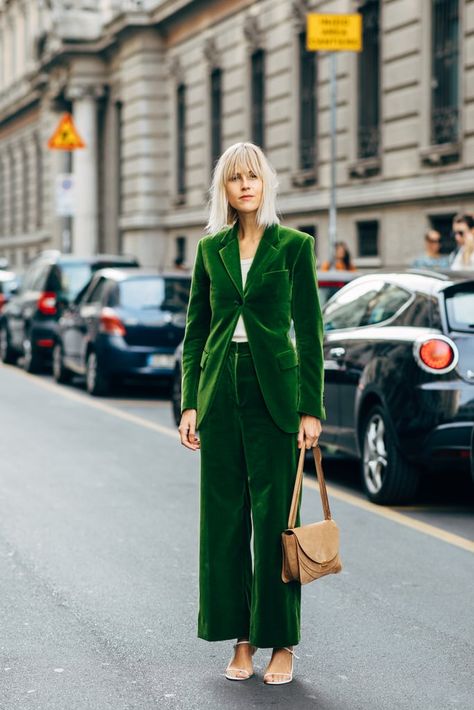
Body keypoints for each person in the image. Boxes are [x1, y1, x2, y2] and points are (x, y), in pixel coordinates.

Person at [178, 142, 325, 686]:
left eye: (253, 177)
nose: (244, 186)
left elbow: (310, 334)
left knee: (275, 523)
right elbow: (195, 333)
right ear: (225, 188)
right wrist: (191, 401)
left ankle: (280, 643)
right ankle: (240, 637)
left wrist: (311, 408)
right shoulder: (210, 250)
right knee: (223, 525)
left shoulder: (294, 247)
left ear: (266, 185)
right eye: (235, 178)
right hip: (219, 396)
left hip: (275, 397)